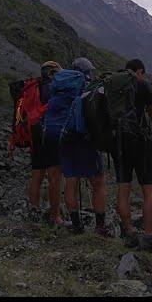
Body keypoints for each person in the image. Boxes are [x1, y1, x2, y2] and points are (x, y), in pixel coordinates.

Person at [112, 59, 152, 253]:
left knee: (123, 187)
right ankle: (148, 236)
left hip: (119, 142)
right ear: (140, 71)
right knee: (149, 190)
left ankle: (129, 231)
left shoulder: (113, 84)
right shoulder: (142, 84)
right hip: (140, 142)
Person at [59, 57, 109, 236]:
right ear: (87, 71)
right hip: (85, 140)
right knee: (98, 182)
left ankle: (76, 225)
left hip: (65, 138)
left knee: (71, 181)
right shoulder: (88, 86)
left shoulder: (60, 85)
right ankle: (100, 226)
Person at [27, 61, 64, 226]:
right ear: (52, 73)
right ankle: (55, 216)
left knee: (37, 176)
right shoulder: (53, 89)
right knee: (54, 177)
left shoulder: (34, 88)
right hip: (50, 134)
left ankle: (33, 212)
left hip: (35, 133)